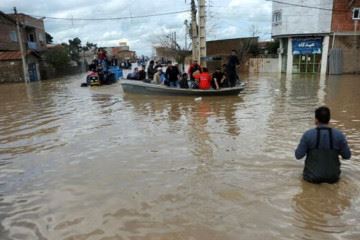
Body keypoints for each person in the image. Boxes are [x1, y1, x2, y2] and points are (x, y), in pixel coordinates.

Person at [295, 106, 351, 184]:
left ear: (316, 119)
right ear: (329, 119)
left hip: (311, 179)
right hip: (333, 179)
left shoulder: (308, 135)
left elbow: (298, 155)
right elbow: (347, 156)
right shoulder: (339, 135)